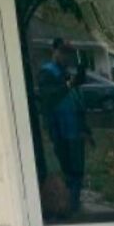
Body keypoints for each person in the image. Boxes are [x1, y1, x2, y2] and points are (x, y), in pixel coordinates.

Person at [38, 39, 94, 215]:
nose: (66, 56)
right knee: (66, 171)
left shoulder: (68, 74)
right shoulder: (47, 73)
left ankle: (73, 205)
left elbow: (77, 102)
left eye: (69, 53)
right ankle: (64, 207)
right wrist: (69, 84)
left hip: (75, 130)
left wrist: (85, 130)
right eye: (62, 52)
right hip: (60, 130)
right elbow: (50, 97)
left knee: (77, 170)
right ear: (54, 51)